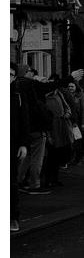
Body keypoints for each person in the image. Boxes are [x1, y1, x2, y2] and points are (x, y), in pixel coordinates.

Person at [15, 64, 53, 195]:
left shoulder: (16, 88)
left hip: (25, 129)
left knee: (26, 157)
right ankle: (34, 184)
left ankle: (18, 181)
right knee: (37, 158)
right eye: (30, 71)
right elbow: (42, 112)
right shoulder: (33, 90)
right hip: (37, 128)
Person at [11, 63, 29, 232]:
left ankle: (13, 217)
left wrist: (24, 144)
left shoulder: (17, 95)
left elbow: (24, 121)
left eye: (11, 75)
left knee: (11, 182)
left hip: (13, 144)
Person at [67, 79, 84, 166]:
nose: (70, 88)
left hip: (78, 120)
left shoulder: (81, 95)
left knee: (77, 140)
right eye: (69, 86)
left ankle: (78, 158)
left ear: (76, 87)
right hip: (69, 120)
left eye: (72, 86)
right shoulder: (66, 95)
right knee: (70, 140)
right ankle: (71, 157)